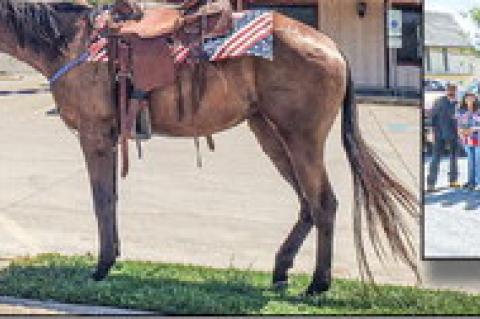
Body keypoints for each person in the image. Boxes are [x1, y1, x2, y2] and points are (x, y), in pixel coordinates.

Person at [426, 83, 461, 192]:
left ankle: (453, 181)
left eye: (453, 90)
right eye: (449, 90)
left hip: (454, 135)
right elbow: (433, 117)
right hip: (439, 134)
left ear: (456, 91)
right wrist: (431, 132)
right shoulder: (439, 101)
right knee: (436, 159)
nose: (451, 92)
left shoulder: (458, 104)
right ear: (446, 91)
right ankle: (431, 184)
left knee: (454, 159)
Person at [456, 92, 480, 190]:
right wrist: (460, 132)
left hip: (477, 138)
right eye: (467, 98)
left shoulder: (478, 110)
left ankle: (478, 182)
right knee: (470, 160)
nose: (469, 99)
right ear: (464, 99)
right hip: (467, 139)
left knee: (478, 161)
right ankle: (471, 181)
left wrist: (472, 129)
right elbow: (459, 123)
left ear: (475, 98)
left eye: (472, 97)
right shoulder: (461, 110)